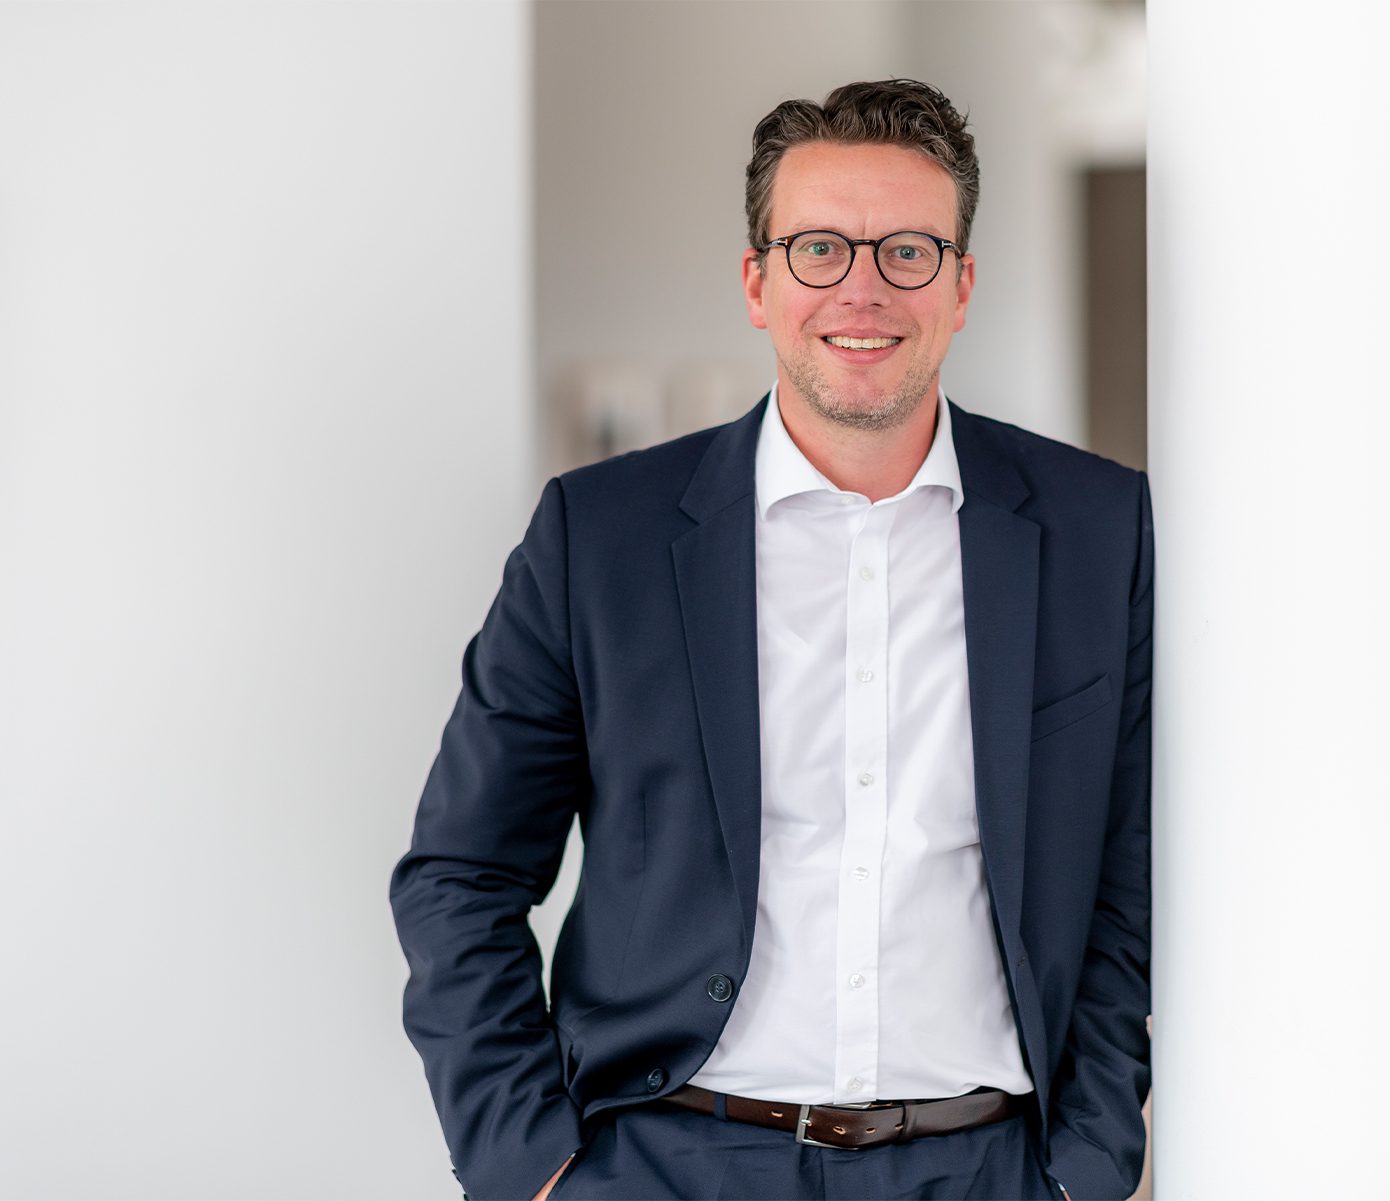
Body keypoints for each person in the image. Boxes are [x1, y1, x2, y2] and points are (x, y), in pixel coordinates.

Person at [390, 79, 1152, 1201]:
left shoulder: (1097, 528)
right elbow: (459, 871)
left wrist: (1088, 1168)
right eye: (817, 249)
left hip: (989, 1166)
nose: (862, 287)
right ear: (757, 281)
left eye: (907, 250)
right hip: (665, 1162)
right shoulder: (600, 536)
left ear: (961, 284)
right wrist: (530, 1167)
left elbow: (1128, 885)